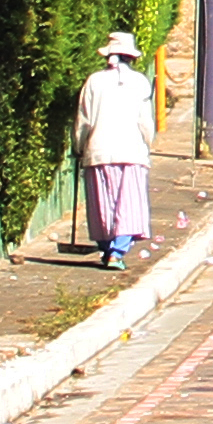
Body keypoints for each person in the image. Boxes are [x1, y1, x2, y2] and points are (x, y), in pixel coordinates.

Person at [75, 30, 160, 266]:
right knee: (128, 204)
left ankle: (108, 249)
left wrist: (79, 146)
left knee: (104, 203)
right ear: (130, 58)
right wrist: (148, 143)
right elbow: (145, 121)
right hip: (131, 151)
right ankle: (117, 252)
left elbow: (84, 120)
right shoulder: (139, 82)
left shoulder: (94, 81)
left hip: (99, 151)